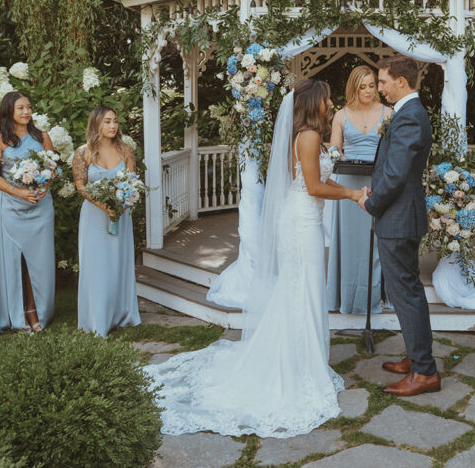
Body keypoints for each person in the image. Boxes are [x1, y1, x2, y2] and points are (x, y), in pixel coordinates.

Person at [146, 79, 366, 437]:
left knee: (300, 289)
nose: (330, 103)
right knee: (302, 289)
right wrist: (353, 193)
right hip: (301, 221)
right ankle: (298, 368)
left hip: (302, 218)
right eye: (327, 99)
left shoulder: (307, 135)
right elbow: (313, 187)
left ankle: (302, 363)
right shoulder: (308, 136)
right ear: (314, 102)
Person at [358, 56, 439, 397]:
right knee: (408, 293)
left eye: (382, 82)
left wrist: (371, 203)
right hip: (401, 215)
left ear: (401, 83)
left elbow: (396, 173)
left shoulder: (408, 117)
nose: (379, 88)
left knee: (405, 293)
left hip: (398, 216)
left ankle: (424, 372)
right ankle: (416, 358)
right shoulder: (408, 113)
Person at [0, 92, 56, 334]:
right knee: (15, 261)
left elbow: (52, 167)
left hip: (40, 205)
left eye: (29, 107)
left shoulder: (42, 137)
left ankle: (35, 310)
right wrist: (19, 192)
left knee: (39, 260)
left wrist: (43, 186)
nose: (26, 112)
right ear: (8, 111)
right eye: (20, 108)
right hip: (12, 206)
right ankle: (16, 312)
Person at [73, 106, 140, 336]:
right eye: (107, 122)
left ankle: (121, 313)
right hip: (94, 216)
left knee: (118, 263)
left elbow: (133, 182)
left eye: (115, 121)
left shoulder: (126, 150)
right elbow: (80, 186)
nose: (113, 126)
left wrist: (124, 204)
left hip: (121, 215)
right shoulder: (84, 152)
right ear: (97, 125)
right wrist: (105, 206)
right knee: (97, 266)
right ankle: (97, 318)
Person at [327, 65, 388, 315]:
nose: (368, 90)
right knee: (349, 241)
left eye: (372, 85)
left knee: (376, 240)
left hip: (378, 180)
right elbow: (333, 150)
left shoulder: (389, 113)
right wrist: (338, 157)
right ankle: (344, 296)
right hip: (349, 181)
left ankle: (376, 296)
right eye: (362, 86)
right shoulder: (341, 115)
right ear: (354, 88)